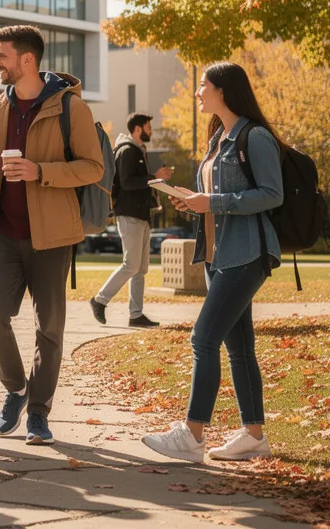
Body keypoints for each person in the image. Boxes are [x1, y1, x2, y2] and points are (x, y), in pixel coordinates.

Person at [0, 25, 104, 446]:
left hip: (53, 237)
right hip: (2, 235)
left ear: (27, 59)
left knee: (49, 329)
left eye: (2, 55)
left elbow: (93, 167)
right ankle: (16, 389)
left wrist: (39, 171)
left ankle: (39, 413)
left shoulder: (70, 108)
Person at [143, 61, 282, 463]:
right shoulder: (218, 138)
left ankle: (192, 435)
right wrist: (193, 201)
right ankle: (254, 437)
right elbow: (215, 200)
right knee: (239, 348)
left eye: (202, 85)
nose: (197, 92)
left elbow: (272, 194)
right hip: (217, 255)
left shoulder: (255, 137)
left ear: (222, 90)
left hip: (247, 253)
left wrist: (214, 202)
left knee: (203, 338)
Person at [90, 113, 171, 328]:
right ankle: (99, 300)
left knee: (140, 268)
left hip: (141, 215)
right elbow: (127, 183)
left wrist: (154, 179)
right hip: (129, 215)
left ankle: (136, 315)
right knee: (131, 265)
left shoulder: (137, 151)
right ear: (137, 129)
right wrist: (154, 177)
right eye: (148, 127)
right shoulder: (127, 151)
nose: (151, 131)